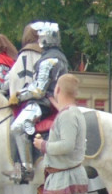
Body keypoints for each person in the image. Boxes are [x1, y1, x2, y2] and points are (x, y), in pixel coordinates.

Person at [9, 22, 68, 183]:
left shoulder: (49, 59)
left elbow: (38, 90)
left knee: (17, 127)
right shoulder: (56, 55)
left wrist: (18, 95)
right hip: (51, 99)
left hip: (46, 102)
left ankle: (26, 168)